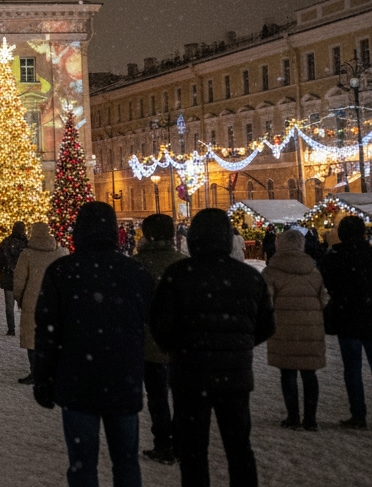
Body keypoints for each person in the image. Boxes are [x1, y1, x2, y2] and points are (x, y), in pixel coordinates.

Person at [150, 208, 275, 487]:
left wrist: (179, 348)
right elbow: (266, 324)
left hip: (189, 375)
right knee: (239, 448)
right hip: (234, 376)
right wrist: (237, 345)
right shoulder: (247, 276)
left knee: (193, 451)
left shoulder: (178, 274)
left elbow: (161, 325)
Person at [33, 202, 155, 487]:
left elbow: (47, 333)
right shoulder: (135, 272)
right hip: (122, 378)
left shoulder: (63, 271)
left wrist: (44, 380)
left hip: (77, 380)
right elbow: (150, 326)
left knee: (82, 464)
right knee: (126, 462)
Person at [130, 213, 187, 463]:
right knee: (184, 397)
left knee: (157, 398)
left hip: (150, 345)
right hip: (182, 345)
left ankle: (163, 444)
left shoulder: (136, 265)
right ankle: (182, 442)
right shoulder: (184, 264)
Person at [262, 228, 327, 431]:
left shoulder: (271, 271)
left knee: (288, 373)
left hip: (284, 329)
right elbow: (324, 298)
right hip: (310, 329)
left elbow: (265, 300)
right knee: (309, 374)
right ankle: (310, 419)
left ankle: (293, 417)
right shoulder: (313, 270)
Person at [317, 215, 372, 429]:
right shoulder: (369, 253)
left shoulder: (335, 256)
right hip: (369, 314)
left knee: (352, 369)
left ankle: (358, 414)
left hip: (347, 316)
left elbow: (327, 282)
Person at [12, 221, 67, 385]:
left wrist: (20, 298)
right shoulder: (60, 253)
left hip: (33, 301)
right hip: (55, 302)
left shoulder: (27, 254)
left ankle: (36, 372)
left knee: (32, 339)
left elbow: (19, 281)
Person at [0, 222, 28, 337]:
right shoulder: (26, 243)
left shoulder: (6, 242)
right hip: (23, 277)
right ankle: (25, 328)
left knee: (9, 305)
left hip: (8, 276)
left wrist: (6, 267)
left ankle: (11, 329)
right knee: (25, 305)